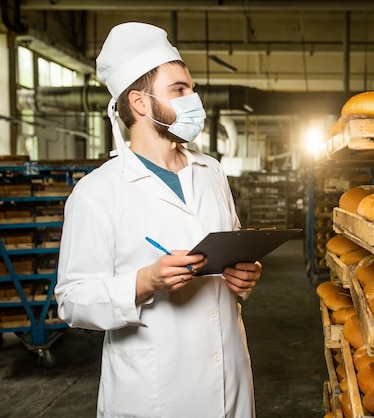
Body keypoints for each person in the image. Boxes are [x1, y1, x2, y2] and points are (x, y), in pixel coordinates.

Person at [55, 22, 262, 418]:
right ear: (140, 102)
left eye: (193, 89)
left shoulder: (211, 172)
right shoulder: (98, 192)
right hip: (155, 394)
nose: (194, 100)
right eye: (179, 90)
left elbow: (233, 252)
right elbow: (72, 300)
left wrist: (245, 277)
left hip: (229, 380)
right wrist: (144, 281)